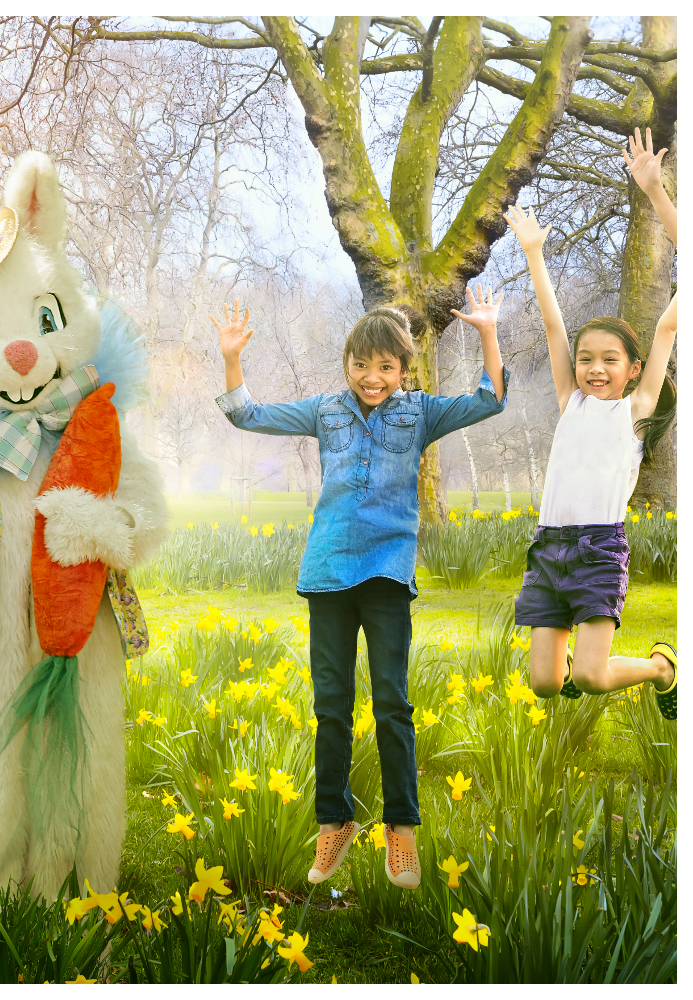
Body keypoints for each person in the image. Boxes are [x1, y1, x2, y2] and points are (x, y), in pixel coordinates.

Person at [212, 293, 508, 889]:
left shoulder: (420, 413)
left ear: (403, 371)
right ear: (347, 362)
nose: (372, 378)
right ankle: (336, 821)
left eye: (386, 368)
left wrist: (487, 334)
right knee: (331, 707)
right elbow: (246, 415)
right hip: (327, 572)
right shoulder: (325, 411)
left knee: (393, 703)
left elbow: (491, 399)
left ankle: (401, 829)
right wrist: (232, 358)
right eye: (361, 365)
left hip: (387, 574)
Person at [505, 132, 677, 721]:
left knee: (593, 675)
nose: (594, 368)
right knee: (548, 684)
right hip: (548, 548)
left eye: (609, 360)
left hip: (600, 549)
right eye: (587, 359)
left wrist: (654, 191)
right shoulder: (570, 402)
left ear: (632, 371)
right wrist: (533, 252)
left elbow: (666, 330)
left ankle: (662, 668)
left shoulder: (634, 409)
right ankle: (613, 668)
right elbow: (555, 329)